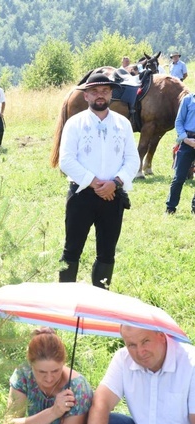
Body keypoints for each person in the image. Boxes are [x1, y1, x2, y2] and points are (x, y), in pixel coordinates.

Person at [57, 73, 140, 289]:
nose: (100, 96)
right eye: (94, 91)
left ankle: (100, 303)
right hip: (81, 194)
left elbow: (132, 159)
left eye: (104, 91)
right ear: (86, 96)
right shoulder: (74, 123)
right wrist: (94, 183)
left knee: (107, 251)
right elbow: (66, 160)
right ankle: (65, 299)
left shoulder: (123, 124)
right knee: (72, 249)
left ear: (111, 93)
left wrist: (116, 182)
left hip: (113, 195)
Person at [87, 325, 195, 424]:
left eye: (145, 341)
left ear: (162, 336)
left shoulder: (191, 362)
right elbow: (101, 402)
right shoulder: (123, 359)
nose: (140, 352)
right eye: (132, 345)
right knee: (105, 423)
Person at [0, 327, 93, 424]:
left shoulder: (78, 389)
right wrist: (53, 412)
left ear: (63, 363)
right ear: (31, 365)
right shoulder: (24, 374)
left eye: (56, 371)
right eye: (41, 372)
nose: (49, 378)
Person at [165, 91, 195, 214]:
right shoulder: (188, 100)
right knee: (179, 177)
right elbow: (179, 122)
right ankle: (170, 207)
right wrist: (185, 139)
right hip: (187, 142)